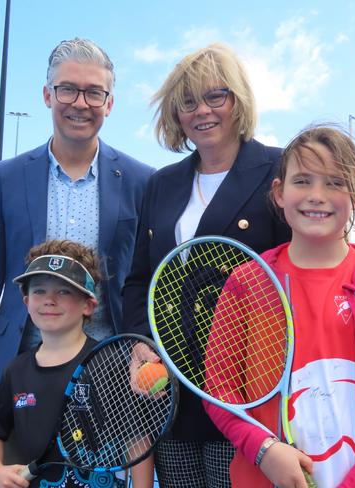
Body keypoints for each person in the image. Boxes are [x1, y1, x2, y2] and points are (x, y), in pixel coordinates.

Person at [0, 38, 154, 421]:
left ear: (109, 103)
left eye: (93, 92)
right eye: (67, 89)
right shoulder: (7, 177)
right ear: (47, 95)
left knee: (99, 482)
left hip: (110, 378)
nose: (79, 103)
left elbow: (145, 282)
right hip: (20, 375)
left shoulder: (142, 181)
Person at [204, 125, 355, 487]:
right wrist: (264, 450)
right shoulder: (246, 283)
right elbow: (220, 391)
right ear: (279, 193)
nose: (316, 195)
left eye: (335, 182)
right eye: (302, 180)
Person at [121, 43, 291, 487]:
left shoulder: (280, 167)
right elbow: (140, 279)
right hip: (172, 394)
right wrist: (141, 343)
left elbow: (297, 273)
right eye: (188, 102)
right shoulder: (162, 183)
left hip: (246, 388)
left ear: (238, 99)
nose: (202, 111)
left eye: (216, 96)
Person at [0, 240, 154, 488]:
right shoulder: (16, 370)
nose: (49, 300)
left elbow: (137, 439)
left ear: (88, 305)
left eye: (63, 291)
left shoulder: (110, 363)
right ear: (26, 301)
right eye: (39, 290)